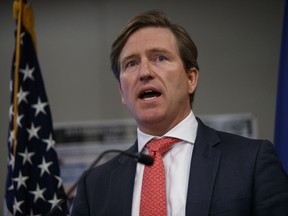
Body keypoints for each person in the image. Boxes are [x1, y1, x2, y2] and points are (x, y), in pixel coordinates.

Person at [71, 10, 288, 216]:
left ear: (190, 79)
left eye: (160, 58)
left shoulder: (252, 161)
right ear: (122, 92)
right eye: (131, 63)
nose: (144, 72)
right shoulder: (95, 185)